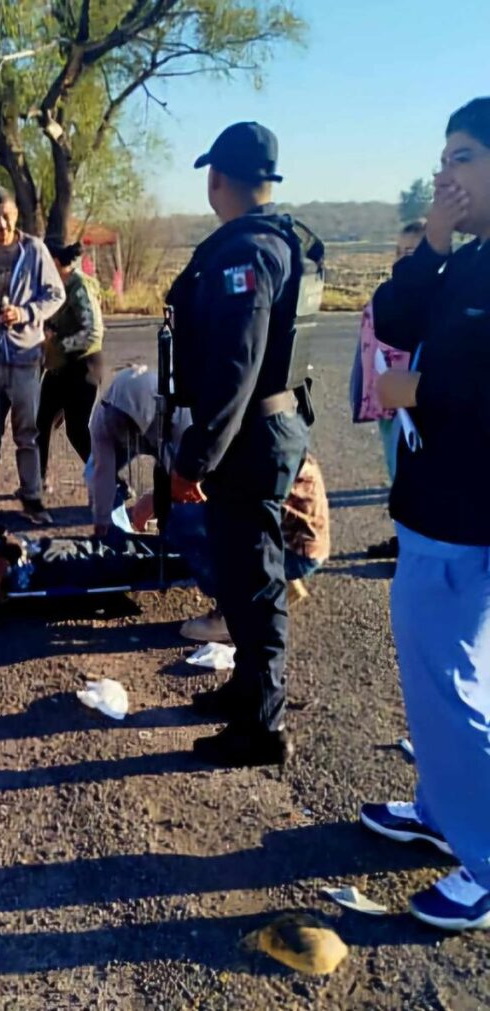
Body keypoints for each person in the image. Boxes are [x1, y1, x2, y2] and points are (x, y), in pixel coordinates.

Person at [360, 98, 490, 931]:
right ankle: (444, 809)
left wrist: (417, 390)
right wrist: (434, 241)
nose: (447, 173)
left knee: (449, 679)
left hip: (464, 509)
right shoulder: (467, 259)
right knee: (436, 672)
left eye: (466, 156)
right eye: (443, 157)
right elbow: (397, 315)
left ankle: (482, 858)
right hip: (437, 500)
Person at [166, 122, 313, 768]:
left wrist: (197, 456)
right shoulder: (277, 240)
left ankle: (262, 726)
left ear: (216, 178)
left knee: (255, 584)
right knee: (243, 573)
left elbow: (235, 366)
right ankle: (247, 690)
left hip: (248, 435)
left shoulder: (245, 253)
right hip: (260, 429)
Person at [0, 185, 65, 525]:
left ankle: (32, 498)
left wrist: (26, 313)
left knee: (27, 434)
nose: (1, 224)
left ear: (15, 214)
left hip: (24, 359)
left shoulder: (34, 251)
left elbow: (55, 294)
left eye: (6, 216)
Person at [159, 453, 330, 642]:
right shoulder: (274, 431)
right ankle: (267, 583)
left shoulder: (261, 446)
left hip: (294, 551)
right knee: (196, 512)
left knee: (184, 519)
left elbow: (226, 495)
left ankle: (235, 615)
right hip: (295, 541)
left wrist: (163, 497)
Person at [0, 518, 183, 622]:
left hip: (37, 548)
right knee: (119, 562)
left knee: (112, 545)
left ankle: (188, 546)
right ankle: (194, 560)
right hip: (37, 572)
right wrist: (2, 560)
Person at [350, 221, 425, 560]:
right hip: (384, 401)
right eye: (399, 251)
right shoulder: (389, 294)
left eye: (412, 252)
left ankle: (412, 542)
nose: (403, 260)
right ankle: (404, 536)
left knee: (412, 476)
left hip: (410, 404)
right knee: (394, 472)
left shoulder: (434, 297)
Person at [87, 365, 191, 537]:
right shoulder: (103, 419)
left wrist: (154, 500)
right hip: (142, 422)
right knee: (93, 471)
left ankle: (178, 535)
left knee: (182, 498)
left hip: (162, 430)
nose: (123, 435)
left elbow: (187, 476)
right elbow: (102, 472)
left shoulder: (180, 416)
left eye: (127, 428)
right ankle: (120, 537)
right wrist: (102, 520)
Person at [37, 239, 105, 491]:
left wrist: (59, 344)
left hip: (82, 366)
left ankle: (112, 482)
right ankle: (37, 482)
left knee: (77, 431)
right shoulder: (56, 285)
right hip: (59, 368)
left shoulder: (79, 285)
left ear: (54, 262)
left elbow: (93, 331)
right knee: (40, 423)